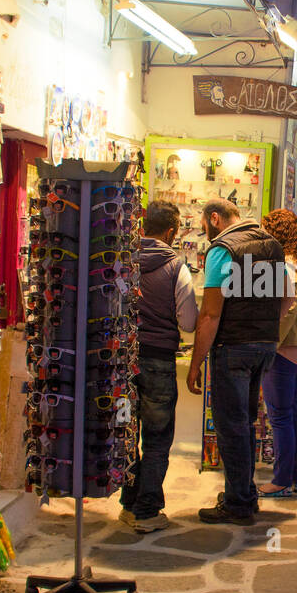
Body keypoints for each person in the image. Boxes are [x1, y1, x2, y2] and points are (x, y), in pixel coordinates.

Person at [187, 198, 293, 525]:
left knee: (231, 427)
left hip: (232, 347)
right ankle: (244, 493)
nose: (205, 233)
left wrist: (195, 363)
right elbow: (287, 296)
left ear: (215, 218)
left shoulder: (223, 250)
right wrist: (264, 328)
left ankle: (237, 504)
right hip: (264, 346)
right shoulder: (272, 245)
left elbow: (211, 313)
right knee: (244, 423)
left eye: (204, 227)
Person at [119, 201, 199, 533]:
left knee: (127, 433)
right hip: (158, 360)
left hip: (121, 363)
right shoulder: (176, 268)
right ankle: (147, 510)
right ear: (171, 231)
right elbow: (189, 321)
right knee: (157, 436)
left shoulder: (123, 262)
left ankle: (129, 502)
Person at [256, 209, 297, 499]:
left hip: (286, 353)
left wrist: (270, 343)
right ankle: (295, 477)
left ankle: (281, 480)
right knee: (293, 416)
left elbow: (288, 309)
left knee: (280, 418)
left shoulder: (287, 266)